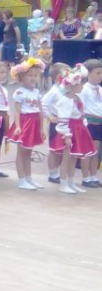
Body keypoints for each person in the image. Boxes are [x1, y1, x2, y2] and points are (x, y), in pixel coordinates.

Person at [50, 64, 96, 194]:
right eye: (81, 83)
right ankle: (63, 183)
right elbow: (63, 119)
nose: (83, 86)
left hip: (79, 128)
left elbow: (82, 113)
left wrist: (83, 122)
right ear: (74, 85)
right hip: (70, 130)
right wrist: (67, 135)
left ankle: (71, 182)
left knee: (74, 156)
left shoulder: (77, 97)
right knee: (67, 157)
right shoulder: (66, 100)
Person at [6, 58, 46, 190]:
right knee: (21, 152)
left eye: (36, 75)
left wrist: (42, 128)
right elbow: (16, 111)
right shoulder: (19, 92)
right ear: (22, 77)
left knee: (29, 152)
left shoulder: (37, 92)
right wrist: (18, 126)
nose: (33, 78)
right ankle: (22, 179)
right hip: (25, 122)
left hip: (35, 122)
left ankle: (29, 178)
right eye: (30, 75)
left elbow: (40, 111)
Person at [42, 63, 72, 184]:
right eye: (66, 74)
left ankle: (58, 172)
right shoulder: (54, 91)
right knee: (54, 149)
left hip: (66, 122)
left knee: (62, 148)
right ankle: (52, 173)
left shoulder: (66, 90)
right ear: (57, 77)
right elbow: (43, 104)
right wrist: (49, 117)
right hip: (56, 123)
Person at [79, 59, 102, 188]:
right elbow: (81, 106)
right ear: (88, 74)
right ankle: (85, 178)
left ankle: (94, 176)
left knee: (96, 151)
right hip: (89, 122)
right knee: (88, 151)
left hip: (99, 122)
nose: (100, 76)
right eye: (98, 73)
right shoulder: (85, 89)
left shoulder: (100, 89)